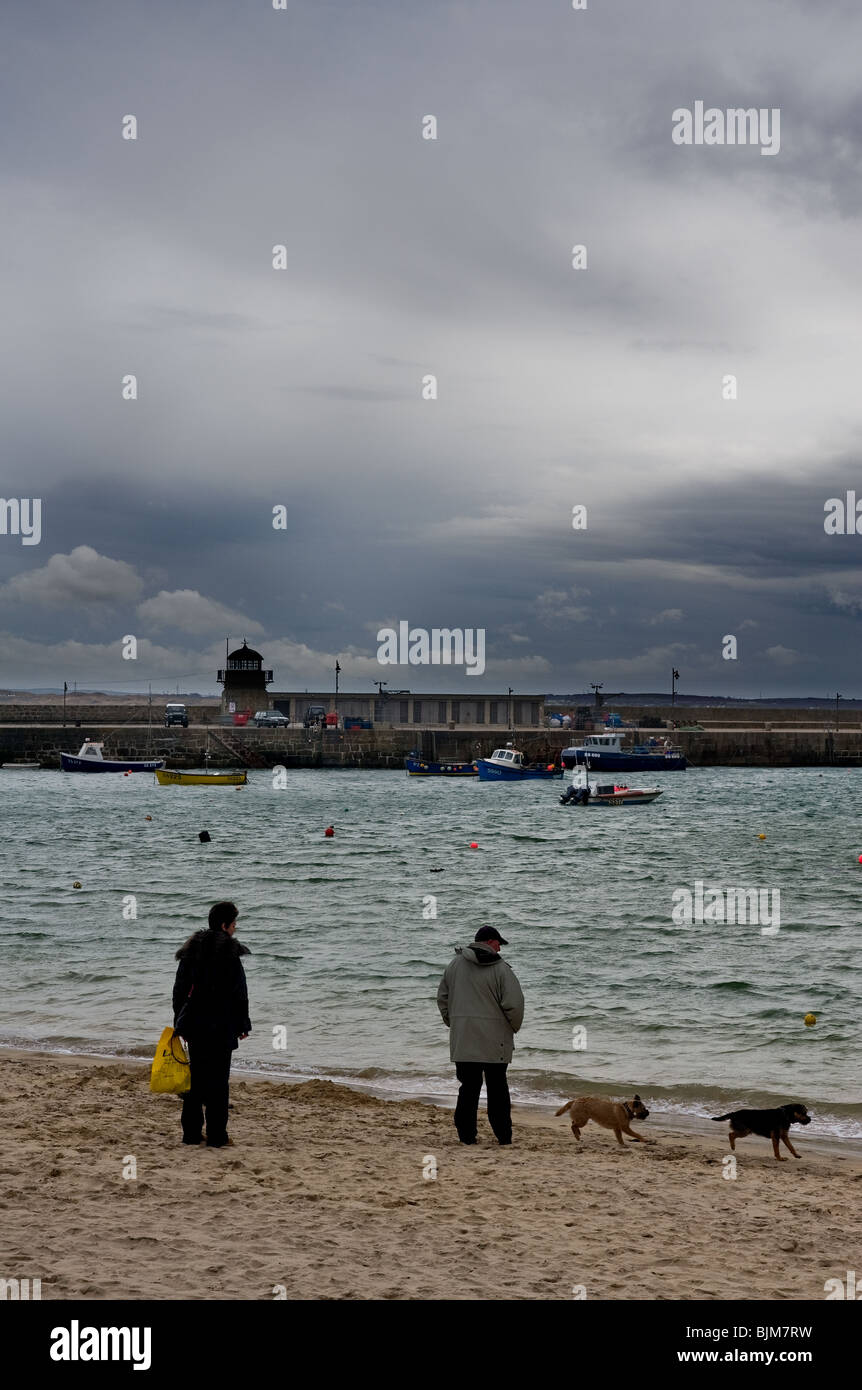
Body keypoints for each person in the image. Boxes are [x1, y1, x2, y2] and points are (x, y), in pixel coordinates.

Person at [172, 901, 251, 1148]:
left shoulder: (191, 952)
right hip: (222, 1026)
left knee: (195, 1080)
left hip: (194, 1024)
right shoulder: (230, 955)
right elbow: (240, 993)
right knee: (219, 1082)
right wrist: (243, 1025)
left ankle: (192, 1134)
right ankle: (217, 1136)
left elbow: (179, 992)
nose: (235, 928)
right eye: (234, 923)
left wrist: (179, 1023)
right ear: (225, 925)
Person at [436, 926, 525, 1145]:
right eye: (498, 944)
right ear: (490, 942)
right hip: (496, 1041)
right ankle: (503, 1136)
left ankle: (466, 1136)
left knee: (468, 1088)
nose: (499, 949)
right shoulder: (502, 969)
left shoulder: (454, 965)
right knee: (497, 1089)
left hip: (464, 1038)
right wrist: (513, 1028)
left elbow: (443, 999)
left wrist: (455, 1023)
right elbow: (514, 1005)